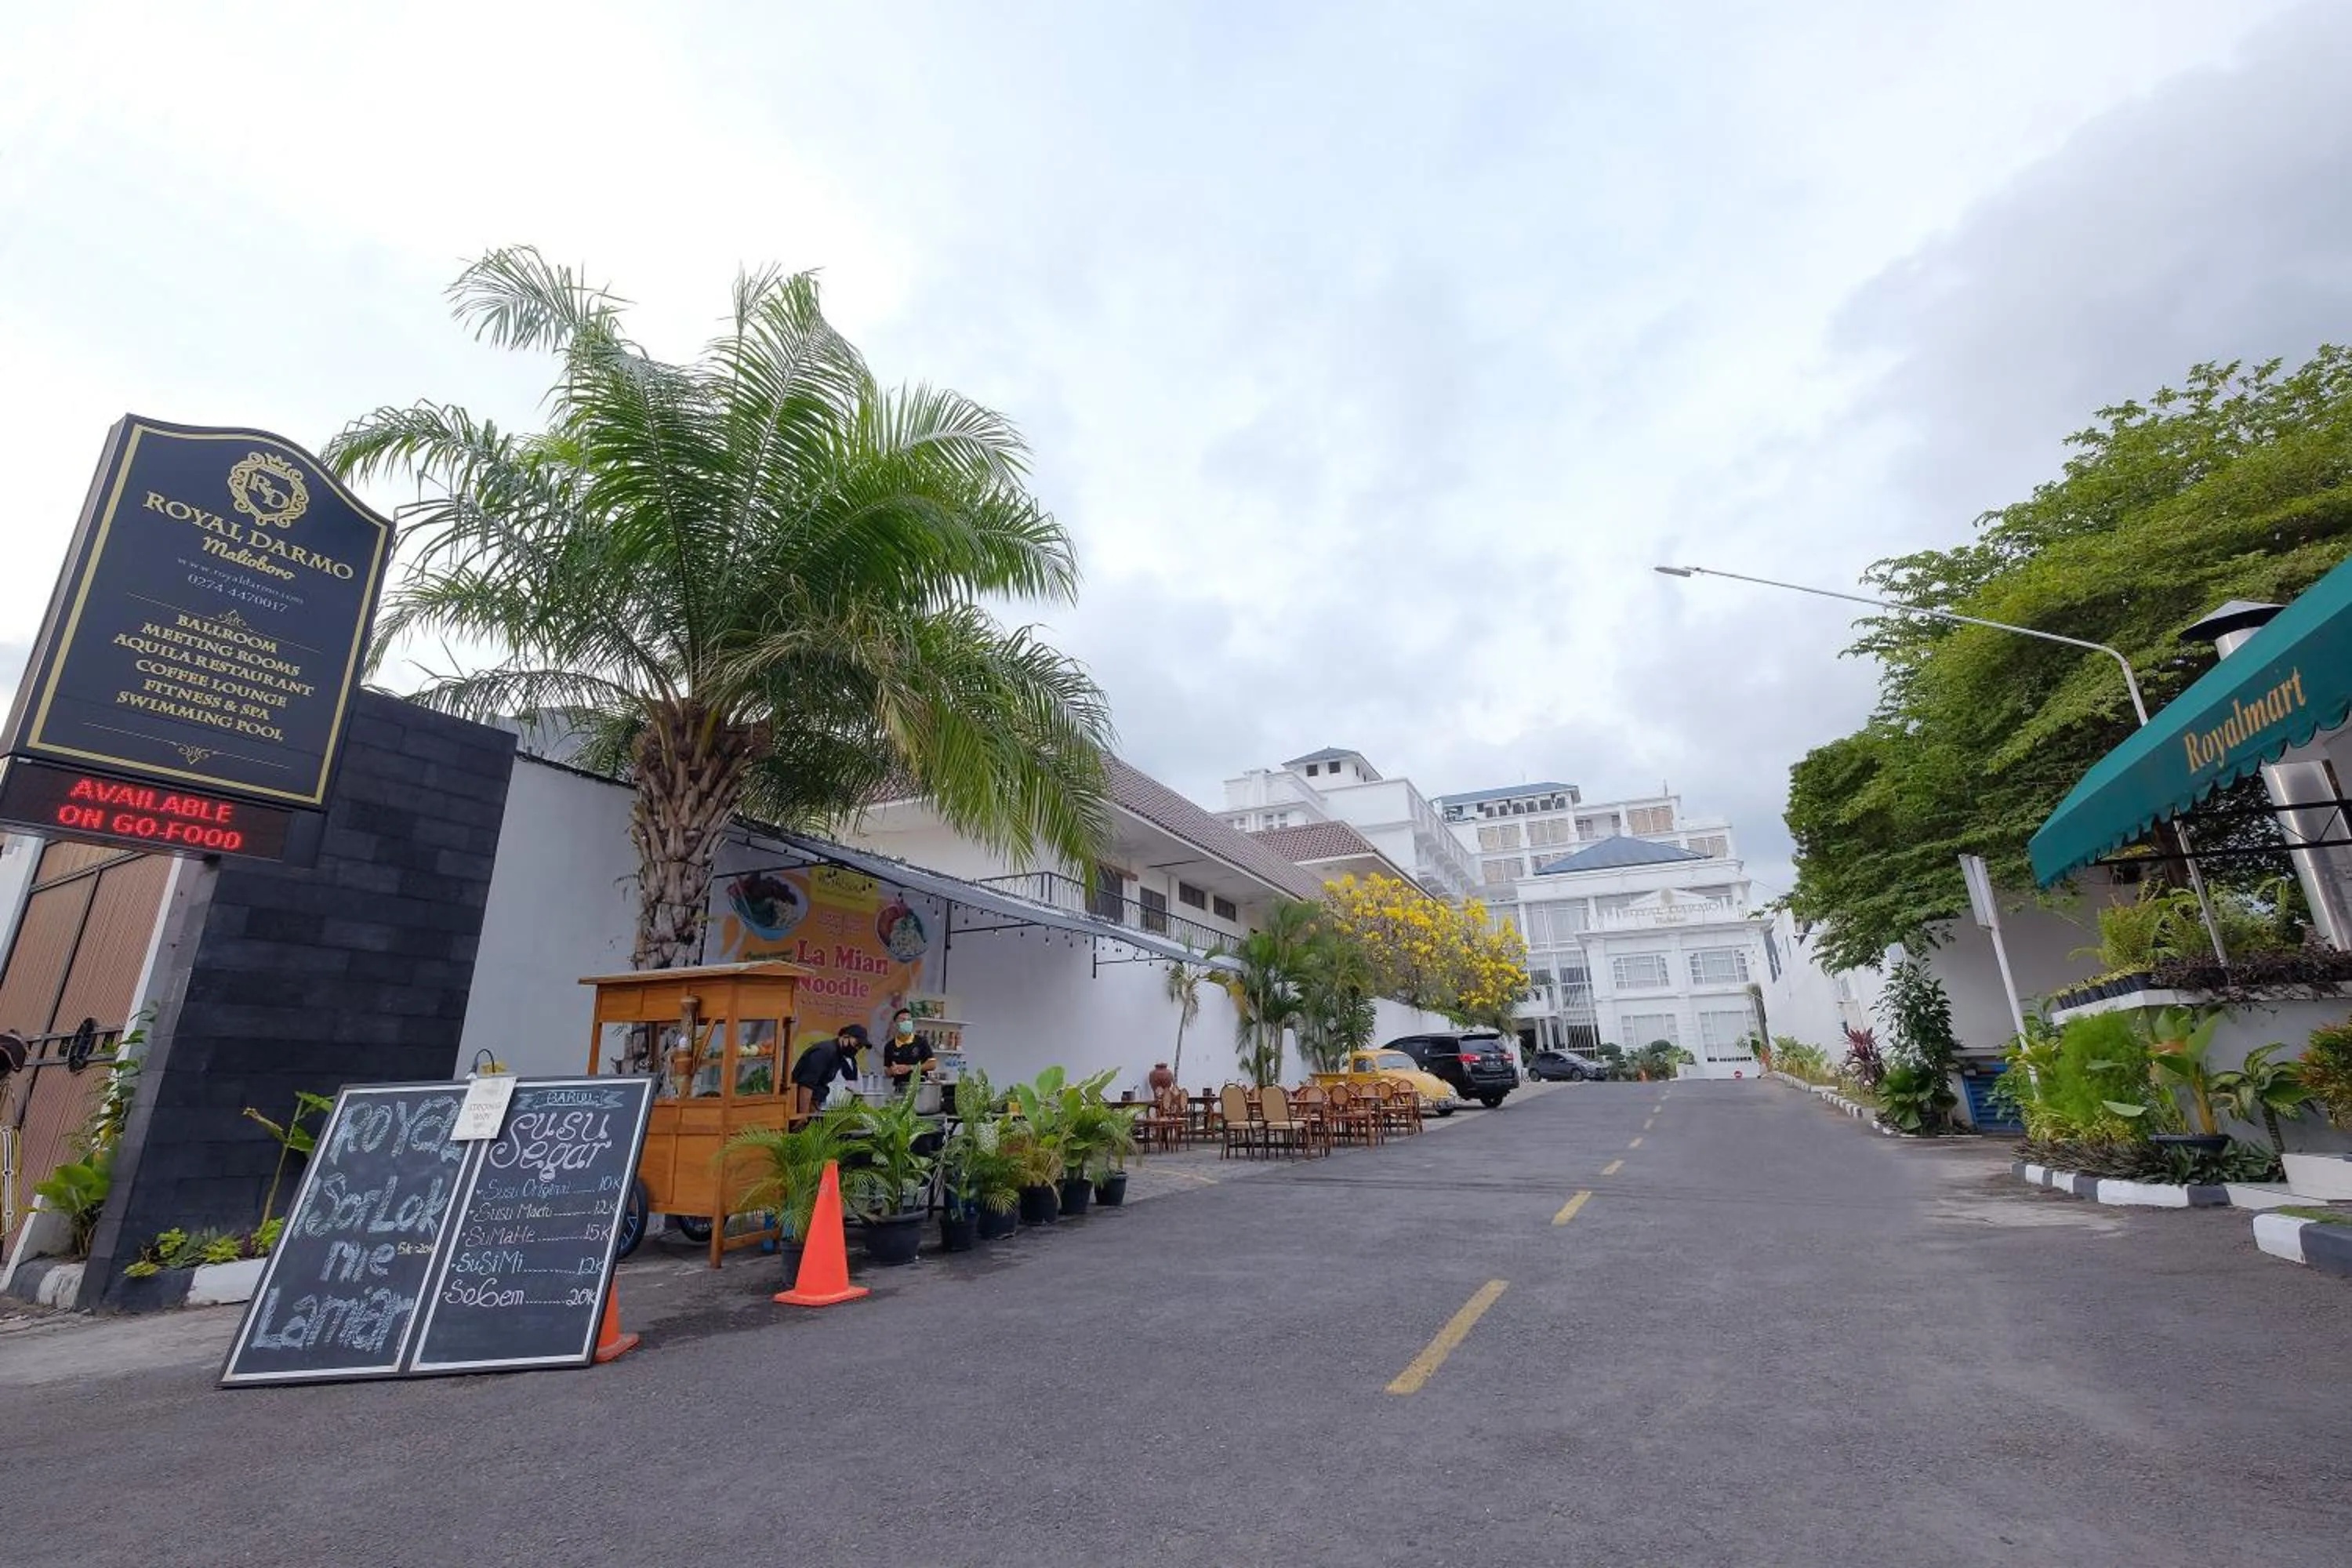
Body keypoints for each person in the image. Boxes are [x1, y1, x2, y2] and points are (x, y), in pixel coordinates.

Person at [789, 1023, 866, 1109]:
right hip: (798, 1104)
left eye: (860, 1047)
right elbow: (807, 1085)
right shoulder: (825, 1051)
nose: (857, 1049)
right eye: (856, 1044)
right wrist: (803, 1114)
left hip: (816, 1104)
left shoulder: (839, 1055)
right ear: (845, 1037)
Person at [883, 1007, 936, 1097]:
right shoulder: (890, 1046)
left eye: (909, 1020)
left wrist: (910, 1068)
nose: (907, 1022)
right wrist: (893, 1070)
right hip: (900, 1088)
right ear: (895, 1024)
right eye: (903, 1020)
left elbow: (932, 1064)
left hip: (920, 1088)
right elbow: (887, 1071)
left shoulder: (921, 1041)